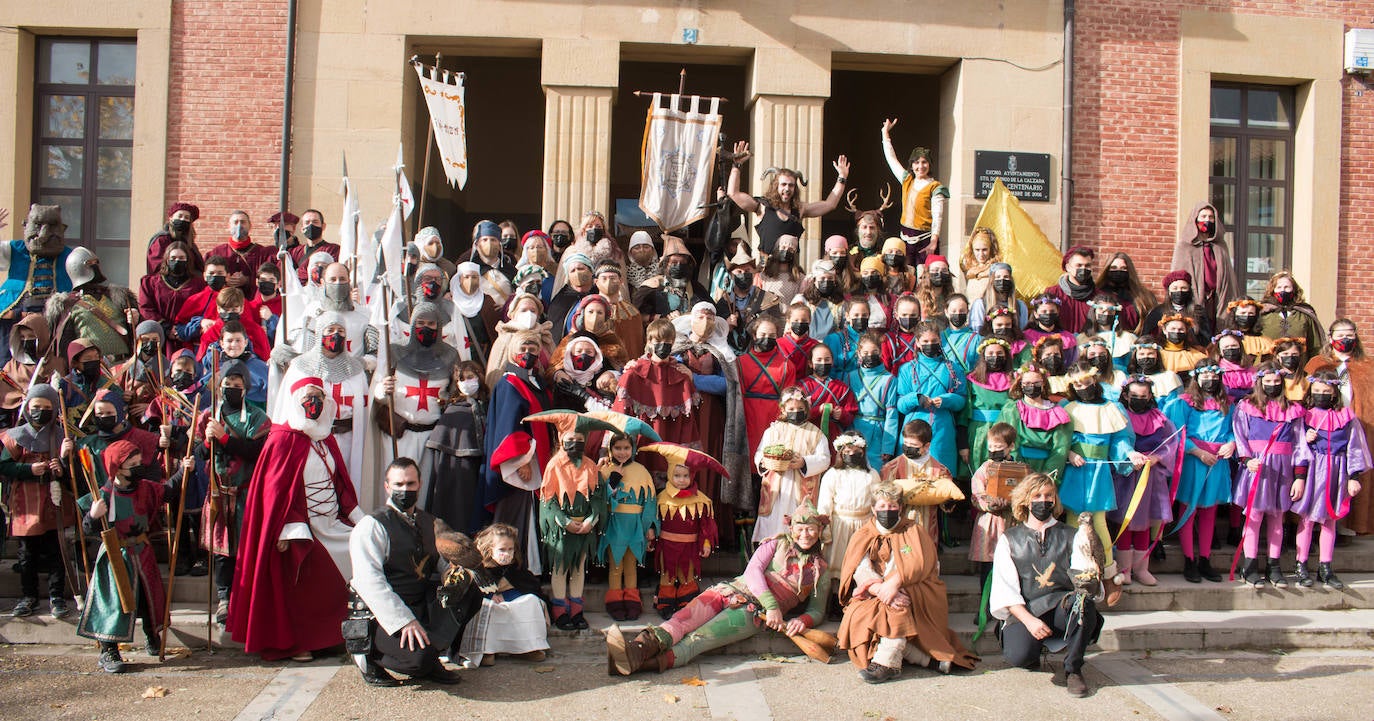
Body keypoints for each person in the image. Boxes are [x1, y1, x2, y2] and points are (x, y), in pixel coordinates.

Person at [607, 499, 826, 676]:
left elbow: (817, 611)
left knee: (697, 640)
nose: (805, 534)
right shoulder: (775, 543)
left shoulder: (820, 570)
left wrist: (801, 621)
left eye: (811, 529)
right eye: (800, 528)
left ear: (820, 530)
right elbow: (752, 572)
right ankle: (635, 650)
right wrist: (773, 606)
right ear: (791, 528)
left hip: (751, 614)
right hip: (727, 591)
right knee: (680, 620)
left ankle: (633, 665)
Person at [228, 376, 364, 661]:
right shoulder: (281, 440)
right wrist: (289, 528)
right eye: (307, 398)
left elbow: (340, 484)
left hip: (331, 521)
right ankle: (298, 641)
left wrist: (359, 519)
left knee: (360, 551)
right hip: (300, 526)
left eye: (318, 398)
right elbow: (276, 494)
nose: (313, 404)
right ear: (295, 401)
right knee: (310, 567)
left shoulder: (326, 438)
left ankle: (335, 634)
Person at [838, 481, 978, 682]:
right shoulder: (863, 534)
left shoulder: (914, 530)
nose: (888, 510)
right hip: (875, 590)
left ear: (901, 507)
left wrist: (895, 584)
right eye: (883, 506)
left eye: (893, 506)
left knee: (898, 604)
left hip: (914, 588)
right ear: (873, 508)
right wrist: (880, 588)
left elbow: (925, 564)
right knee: (863, 613)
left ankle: (885, 663)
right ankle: (926, 661)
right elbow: (860, 568)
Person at [347, 457, 464, 686]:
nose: (404, 489)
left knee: (468, 591)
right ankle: (368, 656)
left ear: (419, 484)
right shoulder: (372, 526)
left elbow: (440, 563)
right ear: (387, 486)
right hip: (381, 616)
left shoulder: (429, 522)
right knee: (417, 662)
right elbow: (369, 582)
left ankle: (432, 656)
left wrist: (460, 576)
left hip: (419, 605)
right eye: (398, 484)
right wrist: (403, 621)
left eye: (410, 484)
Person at [990, 473, 1103, 698]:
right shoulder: (1010, 539)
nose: (1044, 500)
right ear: (1025, 500)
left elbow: (1085, 577)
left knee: (1083, 603)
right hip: (1027, 610)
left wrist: (1090, 582)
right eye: (1037, 495)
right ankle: (1031, 649)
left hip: (1062, 606)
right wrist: (1030, 621)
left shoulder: (1073, 535)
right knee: (1019, 657)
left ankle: (1073, 669)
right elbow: (1005, 589)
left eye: (1049, 495)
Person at [75, 440, 180, 673]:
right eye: (131, 464)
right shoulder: (103, 494)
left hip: (142, 552)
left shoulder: (145, 488)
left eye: (138, 462)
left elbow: (169, 491)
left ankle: (152, 636)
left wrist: (185, 469)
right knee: (114, 603)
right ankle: (108, 650)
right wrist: (93, 515)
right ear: (117, 468)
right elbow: (86, 529)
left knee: (148, 598)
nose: (138, 467)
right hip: (115, 555)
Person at [196, 358, 269, 625]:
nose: (231, 388)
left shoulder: (256, 417)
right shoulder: (208, 416)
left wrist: (226, 439)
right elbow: (199, 454)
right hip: (219, 492)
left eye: (237, 385)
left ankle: (246, 597)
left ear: (246, 388)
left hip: (245, 493)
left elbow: (257, 452)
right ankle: (224, 598)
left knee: (245, 548)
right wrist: (208, 439)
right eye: (227, 384)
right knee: (222, 550)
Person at [483, 330, 556, 572]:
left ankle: (530, 569)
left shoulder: (536, 383)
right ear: (513, 351)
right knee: (514, 517)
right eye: (523, 349)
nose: (528, 353)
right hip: (521, 466)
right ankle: (512, 571)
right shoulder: (510, 383)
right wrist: (521, 461)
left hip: (539, 461)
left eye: (533, 349)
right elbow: (509, 425)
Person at [1293, 371, 1371, 588]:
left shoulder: (1346, 417)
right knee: (1307, 519)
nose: (1321, 395)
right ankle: (1301, 564)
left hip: (1336, 470)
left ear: (1334, 393)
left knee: (1330, 520)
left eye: (1326, 392)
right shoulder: (1304, 416)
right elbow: (1296, 447)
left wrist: (1353, 476)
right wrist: (1305, 441)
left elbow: (1354, 447)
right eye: (1317, 391)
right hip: (1312, 469)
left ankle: (1325, 566)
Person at [1, 384, 73, 619]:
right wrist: (28, 468)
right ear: (27, 408)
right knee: (27, 553)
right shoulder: (14, 436)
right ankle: (28, 596)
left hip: (54, 500)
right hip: (25, 502)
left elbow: (76, 471)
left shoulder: (62, 435)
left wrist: (61, 467)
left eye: (46, 407)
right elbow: (4, 466)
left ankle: (57, 596)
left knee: (57, 550)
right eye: (36, 406)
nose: (40, 411)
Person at [374, 303, 456, 508]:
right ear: (412, 325)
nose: (426, 328)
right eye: (420, 323)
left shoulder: (450, 356)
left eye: (431, 323)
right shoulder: (396, 352)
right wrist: (383, 390)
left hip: (432, 435)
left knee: (426, 490)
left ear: (439, 327)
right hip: (401, 433)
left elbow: (455, 394)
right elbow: (377, 393)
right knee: (398, 485)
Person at [1165, 361, 1235, 583]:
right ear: (1196, 377)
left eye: (1213, 375)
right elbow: (1177, 433)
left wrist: (1232, 444)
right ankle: (1189, 559)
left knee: (1209, 510)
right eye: (1204, 375)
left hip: (1217, 461)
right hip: (1194, 459)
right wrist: (1196, 452)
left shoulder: (1228, 404)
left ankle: (1205, 558)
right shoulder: (1184, 403)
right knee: (1189, 509)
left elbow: (1233, 430)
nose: (1209, 379)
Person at [278, 312, 368, 482]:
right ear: (320, 332)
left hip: (349, 441)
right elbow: (287, 408)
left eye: (340, 331)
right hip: (313, 439)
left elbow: (364, 409)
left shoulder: (356, 370)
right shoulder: (301, 367)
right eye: (330, 329)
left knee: (347, 484)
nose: (335, 335)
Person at [1305, 319, 1374, 534]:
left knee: (1354, 473)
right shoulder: (1317, 363)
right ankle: (1317, 523)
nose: (1345, 338)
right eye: (1340, 334)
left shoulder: (1368, 365)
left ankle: (1350, 525)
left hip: (1358, 426)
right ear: (1330, 337)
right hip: (1324, 428)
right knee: (1323, 475)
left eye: (1350, 334)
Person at [726, 140, 850, 256]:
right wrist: (737, 166)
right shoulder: (763, 206)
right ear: (776, 186)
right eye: (783, 184)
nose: (787, 189)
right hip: (767, 271)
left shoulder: (800, 209)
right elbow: (734, 194)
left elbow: (830, 204)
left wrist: (842, 178)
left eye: (791, 185)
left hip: (792, 272)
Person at [641, 442, 723, 617]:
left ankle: (687, 600)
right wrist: (651, 536)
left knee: (687, 575)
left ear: (692, 476)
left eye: (685, 475)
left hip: (689, 548)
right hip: (667, 545)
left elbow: (705, 526)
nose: (681, 479)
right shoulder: (660, 497)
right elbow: (653, 519)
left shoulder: (701, 500)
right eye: (677, 475)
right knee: (667, 574)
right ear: (670, 474)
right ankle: (666, 602)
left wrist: (706, 543)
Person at [1112, 377, 1180, 587]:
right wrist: (1130, 457)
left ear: (1150, 396)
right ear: (1125, 395)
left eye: (1144, 396)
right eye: (1135, 396)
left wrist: (1157, 458)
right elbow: (1116, 443)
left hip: (1151, 476)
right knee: (1126, 521)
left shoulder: (1160, 418)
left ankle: (1142, 569)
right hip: (1127, 475)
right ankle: (1125, 570)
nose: (1139, 400)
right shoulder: (1119, 415)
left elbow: (1170, 443)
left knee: (1144, 524)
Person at [452, 522, 549, 668]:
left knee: (532, 601)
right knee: (483, 606)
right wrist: (489, 596)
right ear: (490, 548)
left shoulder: (514, 568)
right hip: (490, 606)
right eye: (502, 549)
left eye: (510, 549)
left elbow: (530, 587)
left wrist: (507, 596)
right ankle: (485, 651)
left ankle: (528, 647)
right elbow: (469, 593)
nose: (507, 553)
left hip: (511, 603)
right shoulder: (477, 569)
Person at [0, 205, 75, 365]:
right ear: (26, 225)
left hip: (55, 316)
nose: (44, 234)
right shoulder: (15, 250)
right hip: (16, 313)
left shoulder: (71, 256)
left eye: (51, 226)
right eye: (38, 226)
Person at [753, 388, 829, 544]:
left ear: (806, 409)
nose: (796, 412)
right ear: (783, 409)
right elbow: (760, 452)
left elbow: (824, 459)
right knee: (773, 520)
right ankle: (769, 553)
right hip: (776, 488)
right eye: (791, 409)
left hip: (800, 488)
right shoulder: (773, 430)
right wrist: (765, 462)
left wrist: (804, 463)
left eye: (800, 409)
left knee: (798, 519)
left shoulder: (816, 434)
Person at [815, 432, 878, 617]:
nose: (852, 454)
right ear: (841, 453)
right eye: (848, 450)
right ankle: (836, 602)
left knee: (861, 563)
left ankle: (857, 601)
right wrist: (824, 526)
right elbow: (825, 503)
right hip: (840, 523)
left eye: (856, 450)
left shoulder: (871, 475)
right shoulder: (833, 475)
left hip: (863, 524)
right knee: (838, 564)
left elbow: (877, 501)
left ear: (863, 451)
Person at [599, 433, 658, 622]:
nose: (622, 452)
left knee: (631, 565)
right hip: (615, 524)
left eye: (626, 448)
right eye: (618, 448)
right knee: (616, 565)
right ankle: (615, 601)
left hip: (634, 524)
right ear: (611, 449)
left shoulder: (642, 471)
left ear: (632, 449)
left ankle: (633, 602)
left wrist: (649, 527)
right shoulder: (606, 470)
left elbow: (650, 501)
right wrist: (613, 481)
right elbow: (598, 499)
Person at [895, 321, 967, 476]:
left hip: (942, 428)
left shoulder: (953, 368)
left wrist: (947, 400)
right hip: (913, 428)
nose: (930, 344)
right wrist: (916, 398)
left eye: (934, 341)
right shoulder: (907, 369)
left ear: (940, 341)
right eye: (926, 341)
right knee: (911, 474)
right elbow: (900, 404)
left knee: (940, 474)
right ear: (918, 343)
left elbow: (962, 399)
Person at [47, 247, 137, 361]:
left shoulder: (117, 296)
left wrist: (135, 319)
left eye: (96, 263)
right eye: (90, 264)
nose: (95, 267)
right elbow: (64, 345)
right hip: (92, 368)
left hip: (123, 365)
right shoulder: (68, 304)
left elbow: (138, 333)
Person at [880, 119, 948, 262]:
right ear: (912, 165)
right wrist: (885, 134)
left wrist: (934, 240)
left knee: (924, 275)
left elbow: (938, 215)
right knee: (907, 274)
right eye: (917, 162)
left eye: (924, 162)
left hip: (926, 239)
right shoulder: (907, 180)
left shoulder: (935, 187)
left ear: (929, 164)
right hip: (905, 237)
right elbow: (892, 160)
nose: (920, 166)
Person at [1171, 201, 1237, 327]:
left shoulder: (1220, 246)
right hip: (1195, 301)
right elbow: (1176, 279)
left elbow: (1229, 278)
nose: (1207, 220)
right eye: (1203, 216)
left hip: (1216, 302)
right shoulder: (1184, 246)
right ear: (1195, 219)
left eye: (1211, 217)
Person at [968, 422, 1019, 582]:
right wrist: (990, 504)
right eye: (991, 447)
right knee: (989, 569)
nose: (994, 451)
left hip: (1012, 522)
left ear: (1010, 446)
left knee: (1011, 566)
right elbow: (977, 493)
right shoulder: (985, 468)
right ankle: (986, 605)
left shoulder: (1020, 468)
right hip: (991, 523)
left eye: (998, 447)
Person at [139, 241, 207, 352]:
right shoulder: (151, 283)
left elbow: (203, 309)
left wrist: (186, 330)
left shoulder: (198, 285)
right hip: (160, 337)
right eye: (173, 258)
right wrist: (166, 328)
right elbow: (146, 308)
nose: (177, 261)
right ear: (166, 259)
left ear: (188, 260)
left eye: (181, 258)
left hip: (188, 338)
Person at [847, 332, 900, 468]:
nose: (870, 356)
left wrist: (887, 447)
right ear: (859, 354)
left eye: (874, 351)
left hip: (878, 434)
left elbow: (892, 416)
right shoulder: (850, 377)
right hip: (855, 430)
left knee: (876, 472)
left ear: (881, 352)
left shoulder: (889, 379)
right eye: (865, 352)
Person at [719, 243, 782, 354]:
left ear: (754, 273)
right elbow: (715, 334)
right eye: (739, 271)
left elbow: (777, 330)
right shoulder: (723, 302)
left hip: (760, 357)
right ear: (731, 274)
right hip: (730, 358)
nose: (743, 274)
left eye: (747, 271)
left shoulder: (769, 300)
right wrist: (726, 326)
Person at [0, 315, 59, 427]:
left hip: (49, 427)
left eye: (31, 336)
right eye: (22, 337)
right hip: (17, 427)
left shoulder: (56, 364)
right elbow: (3, 400)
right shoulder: (12, 366)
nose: (26, 341)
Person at [206, 211, 275, 302]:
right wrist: (225, 280)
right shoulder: (218, 251)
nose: (239, 225)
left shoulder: (261, 252)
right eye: (235, 222)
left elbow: (269, 278)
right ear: (229, 226)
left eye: (243, 222)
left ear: (250, 226)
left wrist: (247, 280)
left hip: (252, 302)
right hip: (224, 304)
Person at [797, 343, 857, 443]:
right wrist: (817, 410)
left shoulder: (842, 388)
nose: (823, 363)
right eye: (819, 360)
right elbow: (796, 413)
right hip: (807, 435)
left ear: (832, 362)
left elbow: (851, 415)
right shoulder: (802, 386)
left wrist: (841, 414)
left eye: (827, 359)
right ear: (810, 363)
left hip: (833, 438)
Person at [1258, 271, 1325, 360]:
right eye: (1279, 287)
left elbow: (1315, 345)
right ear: (1272, 290)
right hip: (1270, 366)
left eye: (1287, 287)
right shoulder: (1262, 313)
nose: (1283, 290)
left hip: (1300, 368)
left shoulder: (1304, 314)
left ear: (1294, 289)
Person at [1142, 269, 1212, 341]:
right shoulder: (1157, 312)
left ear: (1189, 290)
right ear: (1169, 292)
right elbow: (1147, 337)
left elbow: (1206, 339)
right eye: (1175, 288)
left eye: (1183, 288)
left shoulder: (1199, 312)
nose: (1179, 291)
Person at [1041, 246, 1098, 334]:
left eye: (1087, 266)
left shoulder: (1098, 296)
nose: (1083, 269)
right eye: (1079, 265)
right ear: (1068, 267)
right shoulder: (1053, 293)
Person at [1096, 252, 1155, 334]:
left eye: (1123, 268)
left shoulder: (1144, 297)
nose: (1118, 271)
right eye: (1114, 268)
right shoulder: (1097, 294)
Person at [145, 201, 205, 277]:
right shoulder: (161, 240)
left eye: (186, 217)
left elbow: (199, 267)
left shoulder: (190, 244)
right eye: (180, 216)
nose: (182, 219)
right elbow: (156, 266)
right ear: (171, 218)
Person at [969, 262, 1026, 334]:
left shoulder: (1020, 305)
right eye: (998, 277)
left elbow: (1023, 331)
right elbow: (976, 331)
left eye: (1006, 277)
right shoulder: (980, 304)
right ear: (992, 280)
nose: (1002, 280)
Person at [288, 209, 340, 282]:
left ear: (323, 226)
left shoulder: (333, 249)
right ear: (302, 229)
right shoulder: (295, 252)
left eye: (315, 222)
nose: (311, 225)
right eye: (307, 222)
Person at [958, 226, 1000, 302]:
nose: (981, 254)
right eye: (977, 250)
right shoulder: (969, 268)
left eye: (984, 250)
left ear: (991, 249)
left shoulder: (997, 269)